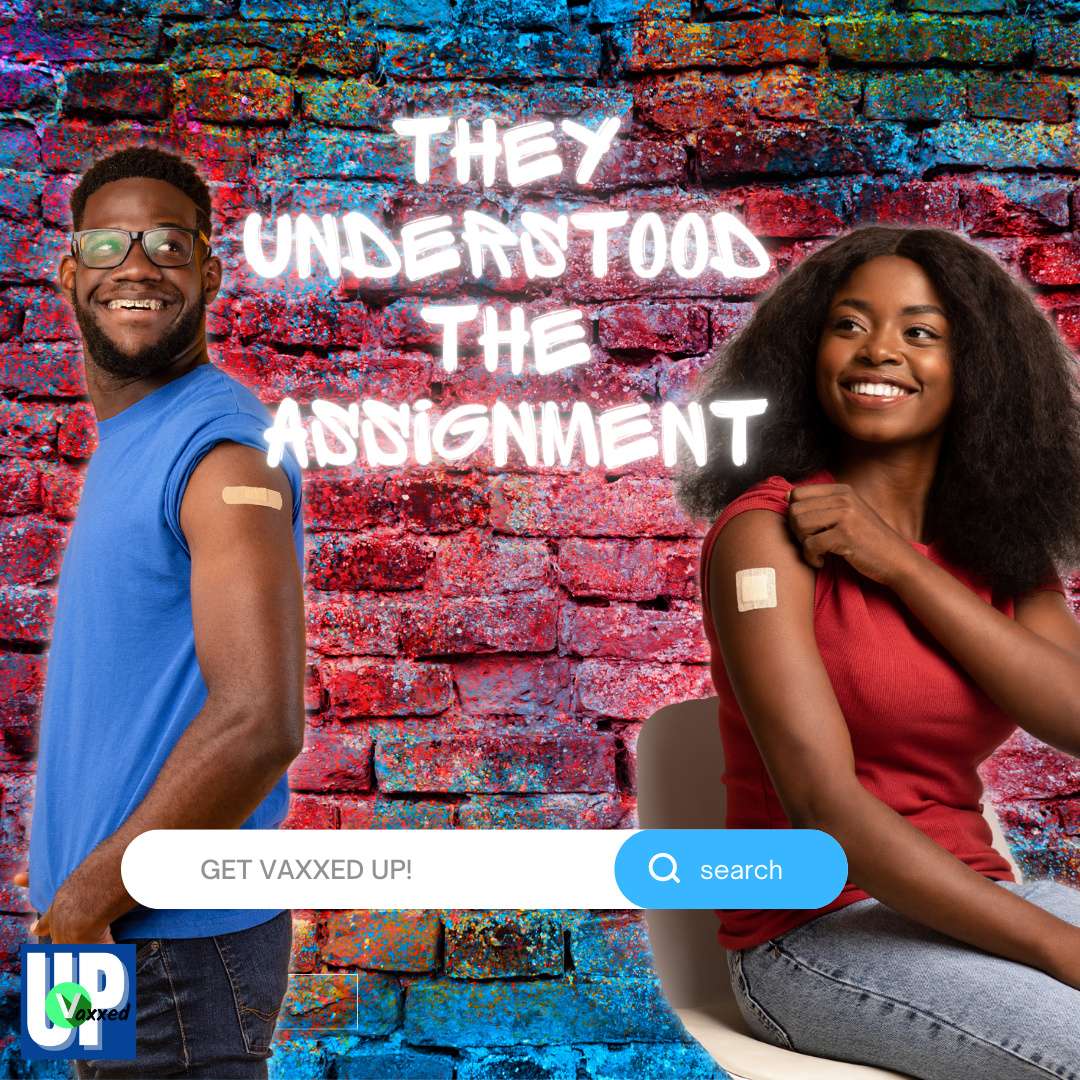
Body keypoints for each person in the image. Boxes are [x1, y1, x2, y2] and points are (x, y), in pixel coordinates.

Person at [679, 226, 1080, 1079]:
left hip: (975, 901)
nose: (880, 351)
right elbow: (824, 809)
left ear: (981, 368)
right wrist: (1058, 948)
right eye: (850, 324)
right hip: (812, 936)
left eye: (921, 332)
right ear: (807, 351)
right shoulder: (766, 535)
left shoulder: (997, 543)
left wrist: (898, 565)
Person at [17, 146, 306, 1078]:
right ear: (70, 271)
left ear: (208, 273)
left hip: (173, 950)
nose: (135, 265)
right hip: (104, 935)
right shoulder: (134, 432)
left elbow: (260, 721)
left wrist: (84, 900)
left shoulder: (221, 453)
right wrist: (73, 907)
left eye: (167, 245)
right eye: (109, 242)